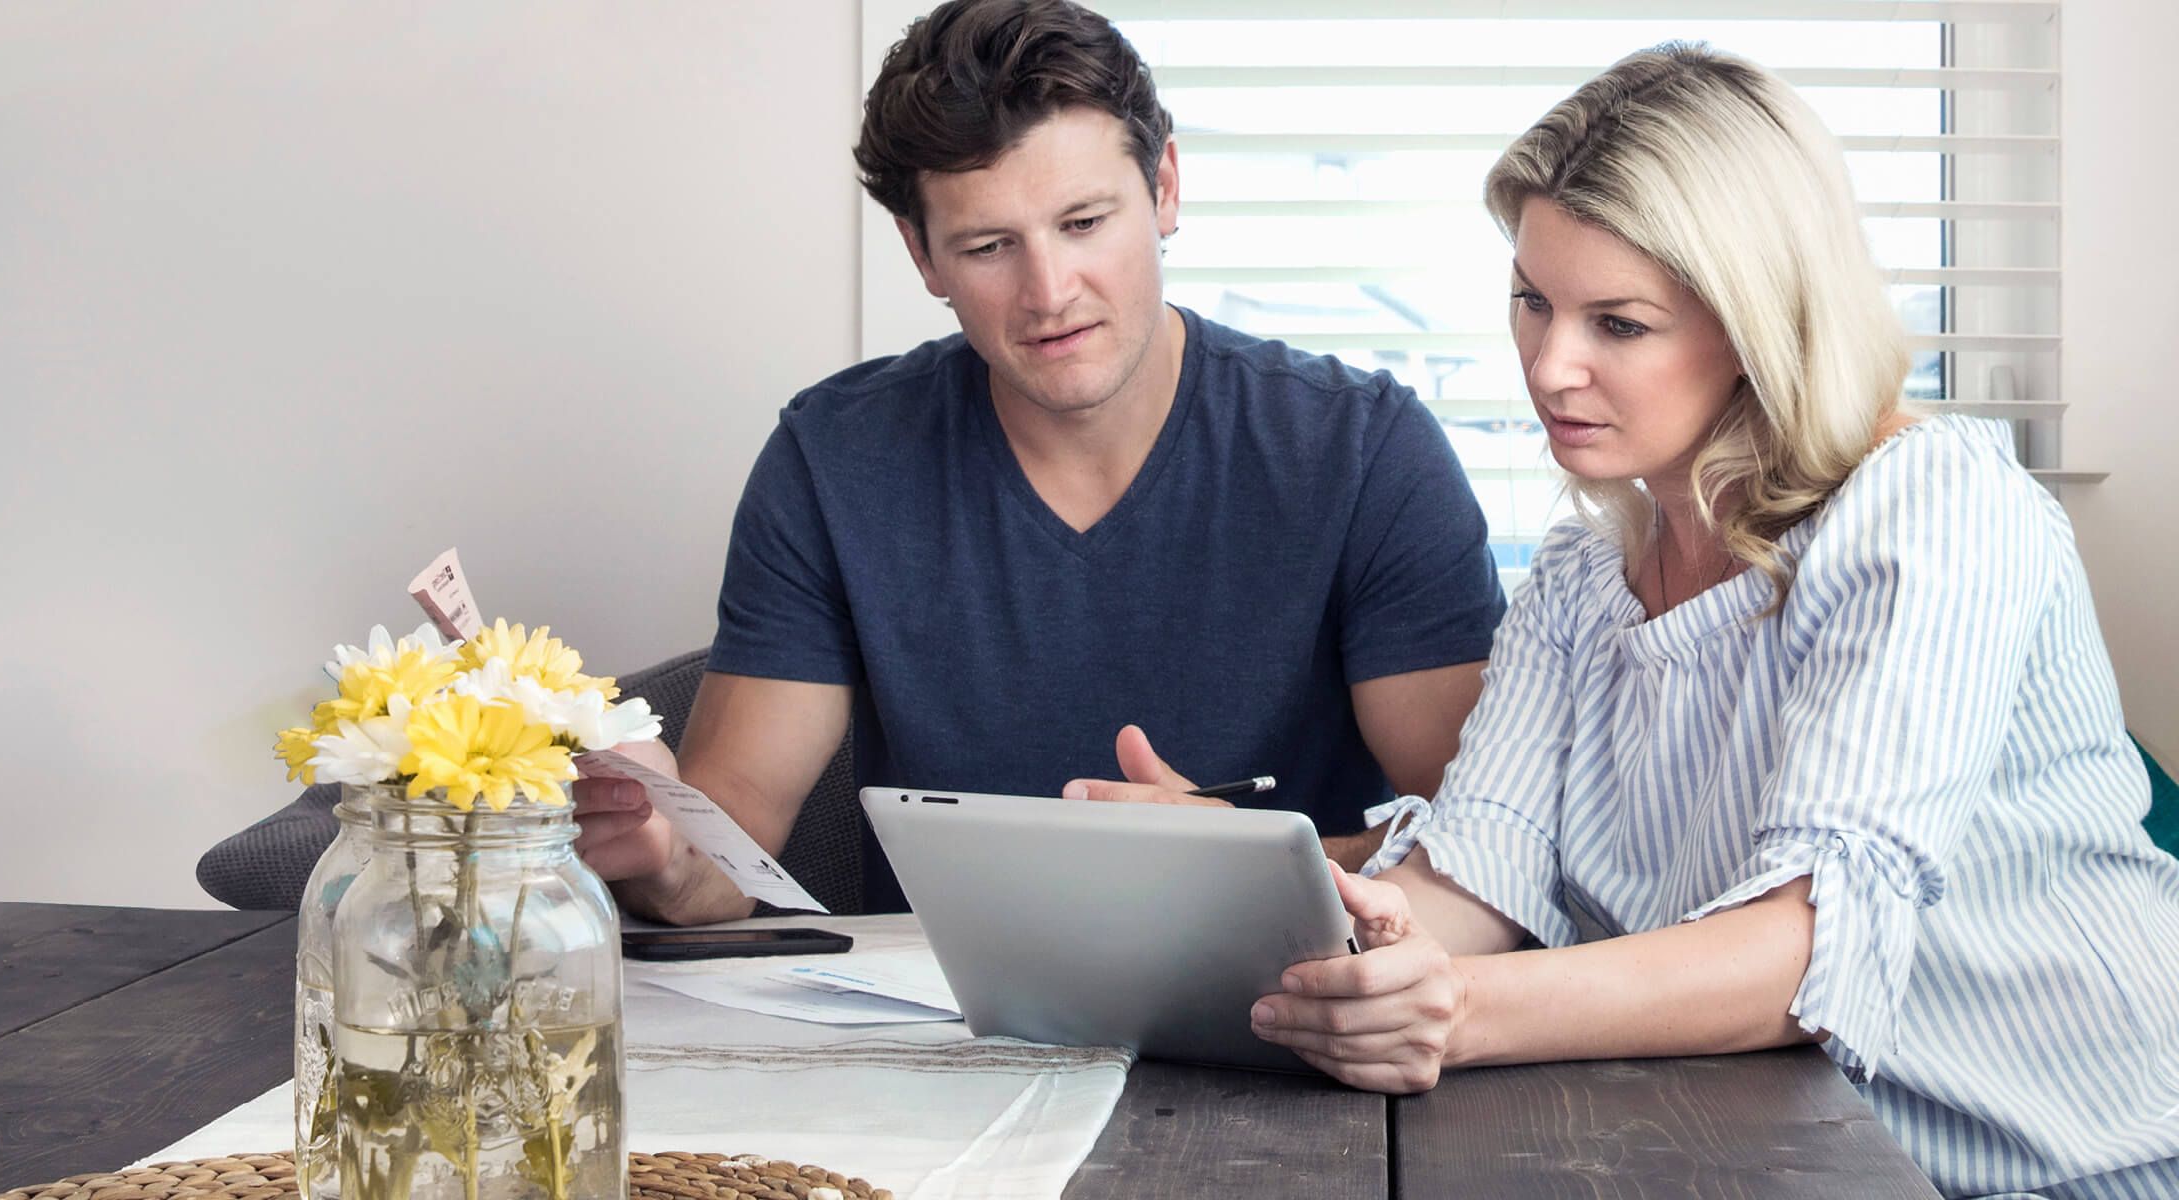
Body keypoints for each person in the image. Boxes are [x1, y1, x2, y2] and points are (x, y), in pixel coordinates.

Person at [1234, 44, 2179, 1199]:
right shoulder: (1584, 576)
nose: (1550, 366)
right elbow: (1479, 877)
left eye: (1617, 324)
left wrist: (1459, 1009)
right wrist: (1348, 927)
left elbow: (1803, 950)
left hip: (2062, 1169)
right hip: (1772, 1151)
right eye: (1533, 300)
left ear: (1757, 323)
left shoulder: (1933, 509)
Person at [574, 0, 1506, 924]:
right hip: (950, 1038)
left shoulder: (1366, 452)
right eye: (989, 247)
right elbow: (726, 857)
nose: (1050, 293)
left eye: (1086, 223)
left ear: (1166, 188)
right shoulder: (834, 461)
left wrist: (1253, 855)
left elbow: (1488, 852)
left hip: (1294, 1019)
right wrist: (661, 853)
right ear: (922, 255)